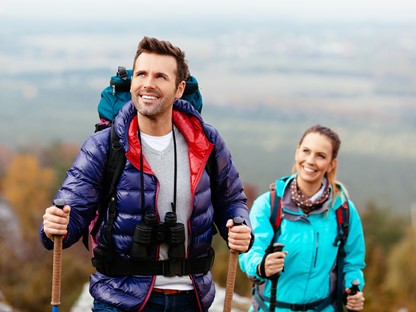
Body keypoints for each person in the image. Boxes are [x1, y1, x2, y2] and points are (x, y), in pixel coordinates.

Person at [40, 36, 253, 312]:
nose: (148, 84)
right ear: (132, 83)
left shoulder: (206, 141)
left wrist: (240, 224)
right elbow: (70, 214)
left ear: (179, 89)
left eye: (160, 76)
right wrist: (55, 226)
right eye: (141, 74)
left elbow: (231, 200)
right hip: (120, 299)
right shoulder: (105, 145)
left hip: (192, 298)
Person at [239, 124, 366, 311]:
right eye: (306, 151)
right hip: (271, 307)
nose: (310, 160)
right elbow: (251, 251)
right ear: (297, 152)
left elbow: (352, 263)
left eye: (321, 156)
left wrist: (352, 290)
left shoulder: (344, 210)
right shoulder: (268, 205)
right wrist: (261, 266)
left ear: (332, 164)